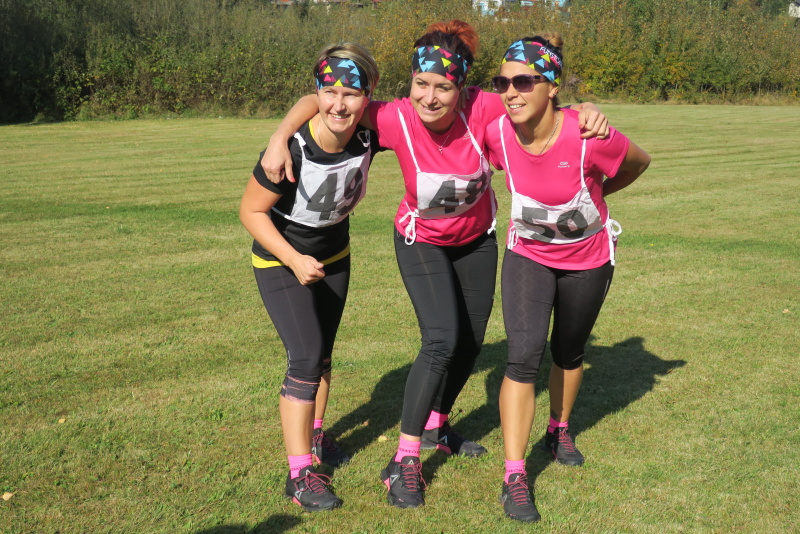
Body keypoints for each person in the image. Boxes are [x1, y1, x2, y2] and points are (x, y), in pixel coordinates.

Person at [260, 21, 609, 510]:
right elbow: (322, 99)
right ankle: (403, 462)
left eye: (443, 87)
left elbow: (541, 109)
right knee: (441, 338)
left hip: (476, 241)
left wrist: (585, 110)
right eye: (421, 84)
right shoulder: (394, 117)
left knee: (470, 341)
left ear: (461, 87)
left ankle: (435, 426)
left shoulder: (484, 107)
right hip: (420, 239)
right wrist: (280, 135)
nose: (429, 97)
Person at [484, 34, 651, 522]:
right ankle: (514, 475)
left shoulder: (587, 135)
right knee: (522, 356)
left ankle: (558, 429)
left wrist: (601, 190)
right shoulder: (497, 133)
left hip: (588, 259)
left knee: (569, 351)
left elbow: (638, 162)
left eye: (523, 81)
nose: (511, 91)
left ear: (552, 86)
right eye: (503, 82)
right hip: (528, 257)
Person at [239, 43, 382, 513]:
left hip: (335, 256)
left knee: (322, 355)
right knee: (303, 357)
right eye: (329, 91)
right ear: (318, 90)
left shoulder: (371, 130)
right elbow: (250, 211)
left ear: (369, 95)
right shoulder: (293, 149)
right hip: (280, 260)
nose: (338, 104)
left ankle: (317, 437)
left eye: (351, 93)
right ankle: (300, 473)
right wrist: (294, 258)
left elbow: (430, 112)